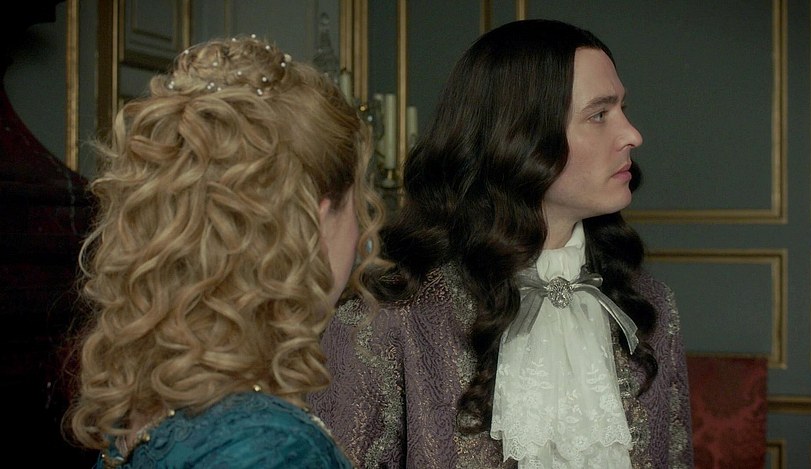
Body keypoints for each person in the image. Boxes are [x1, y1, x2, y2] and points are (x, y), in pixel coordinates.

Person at [309, 19, 694, 468]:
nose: (632, 135)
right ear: (518, 136)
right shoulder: (388, 320)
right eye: (599, 115)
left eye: (622, 109)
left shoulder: (649, 309)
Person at [64, 34, 384, 468]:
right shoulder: (276, 449)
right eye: (357, 207)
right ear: (313, 222)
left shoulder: (142, 409)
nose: (362, 236)